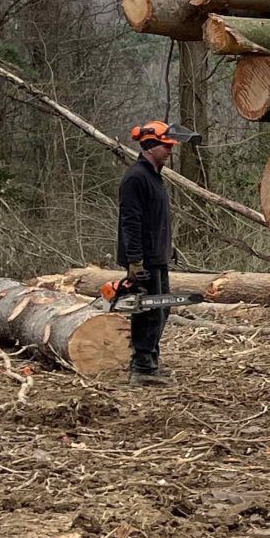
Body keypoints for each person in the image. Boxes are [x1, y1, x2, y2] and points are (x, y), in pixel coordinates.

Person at [118, 119, 197, 382]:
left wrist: (167, 245)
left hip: (157, 256)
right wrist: (135, 260)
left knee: (161, 310)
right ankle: (141, 368)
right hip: (145, 260)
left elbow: (155, 219)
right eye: (166, 146)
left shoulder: (154, 177)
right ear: (150, 146)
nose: (170, 151)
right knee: (149, 311)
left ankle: (150, 361)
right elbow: (131, 222)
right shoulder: (136, 177)